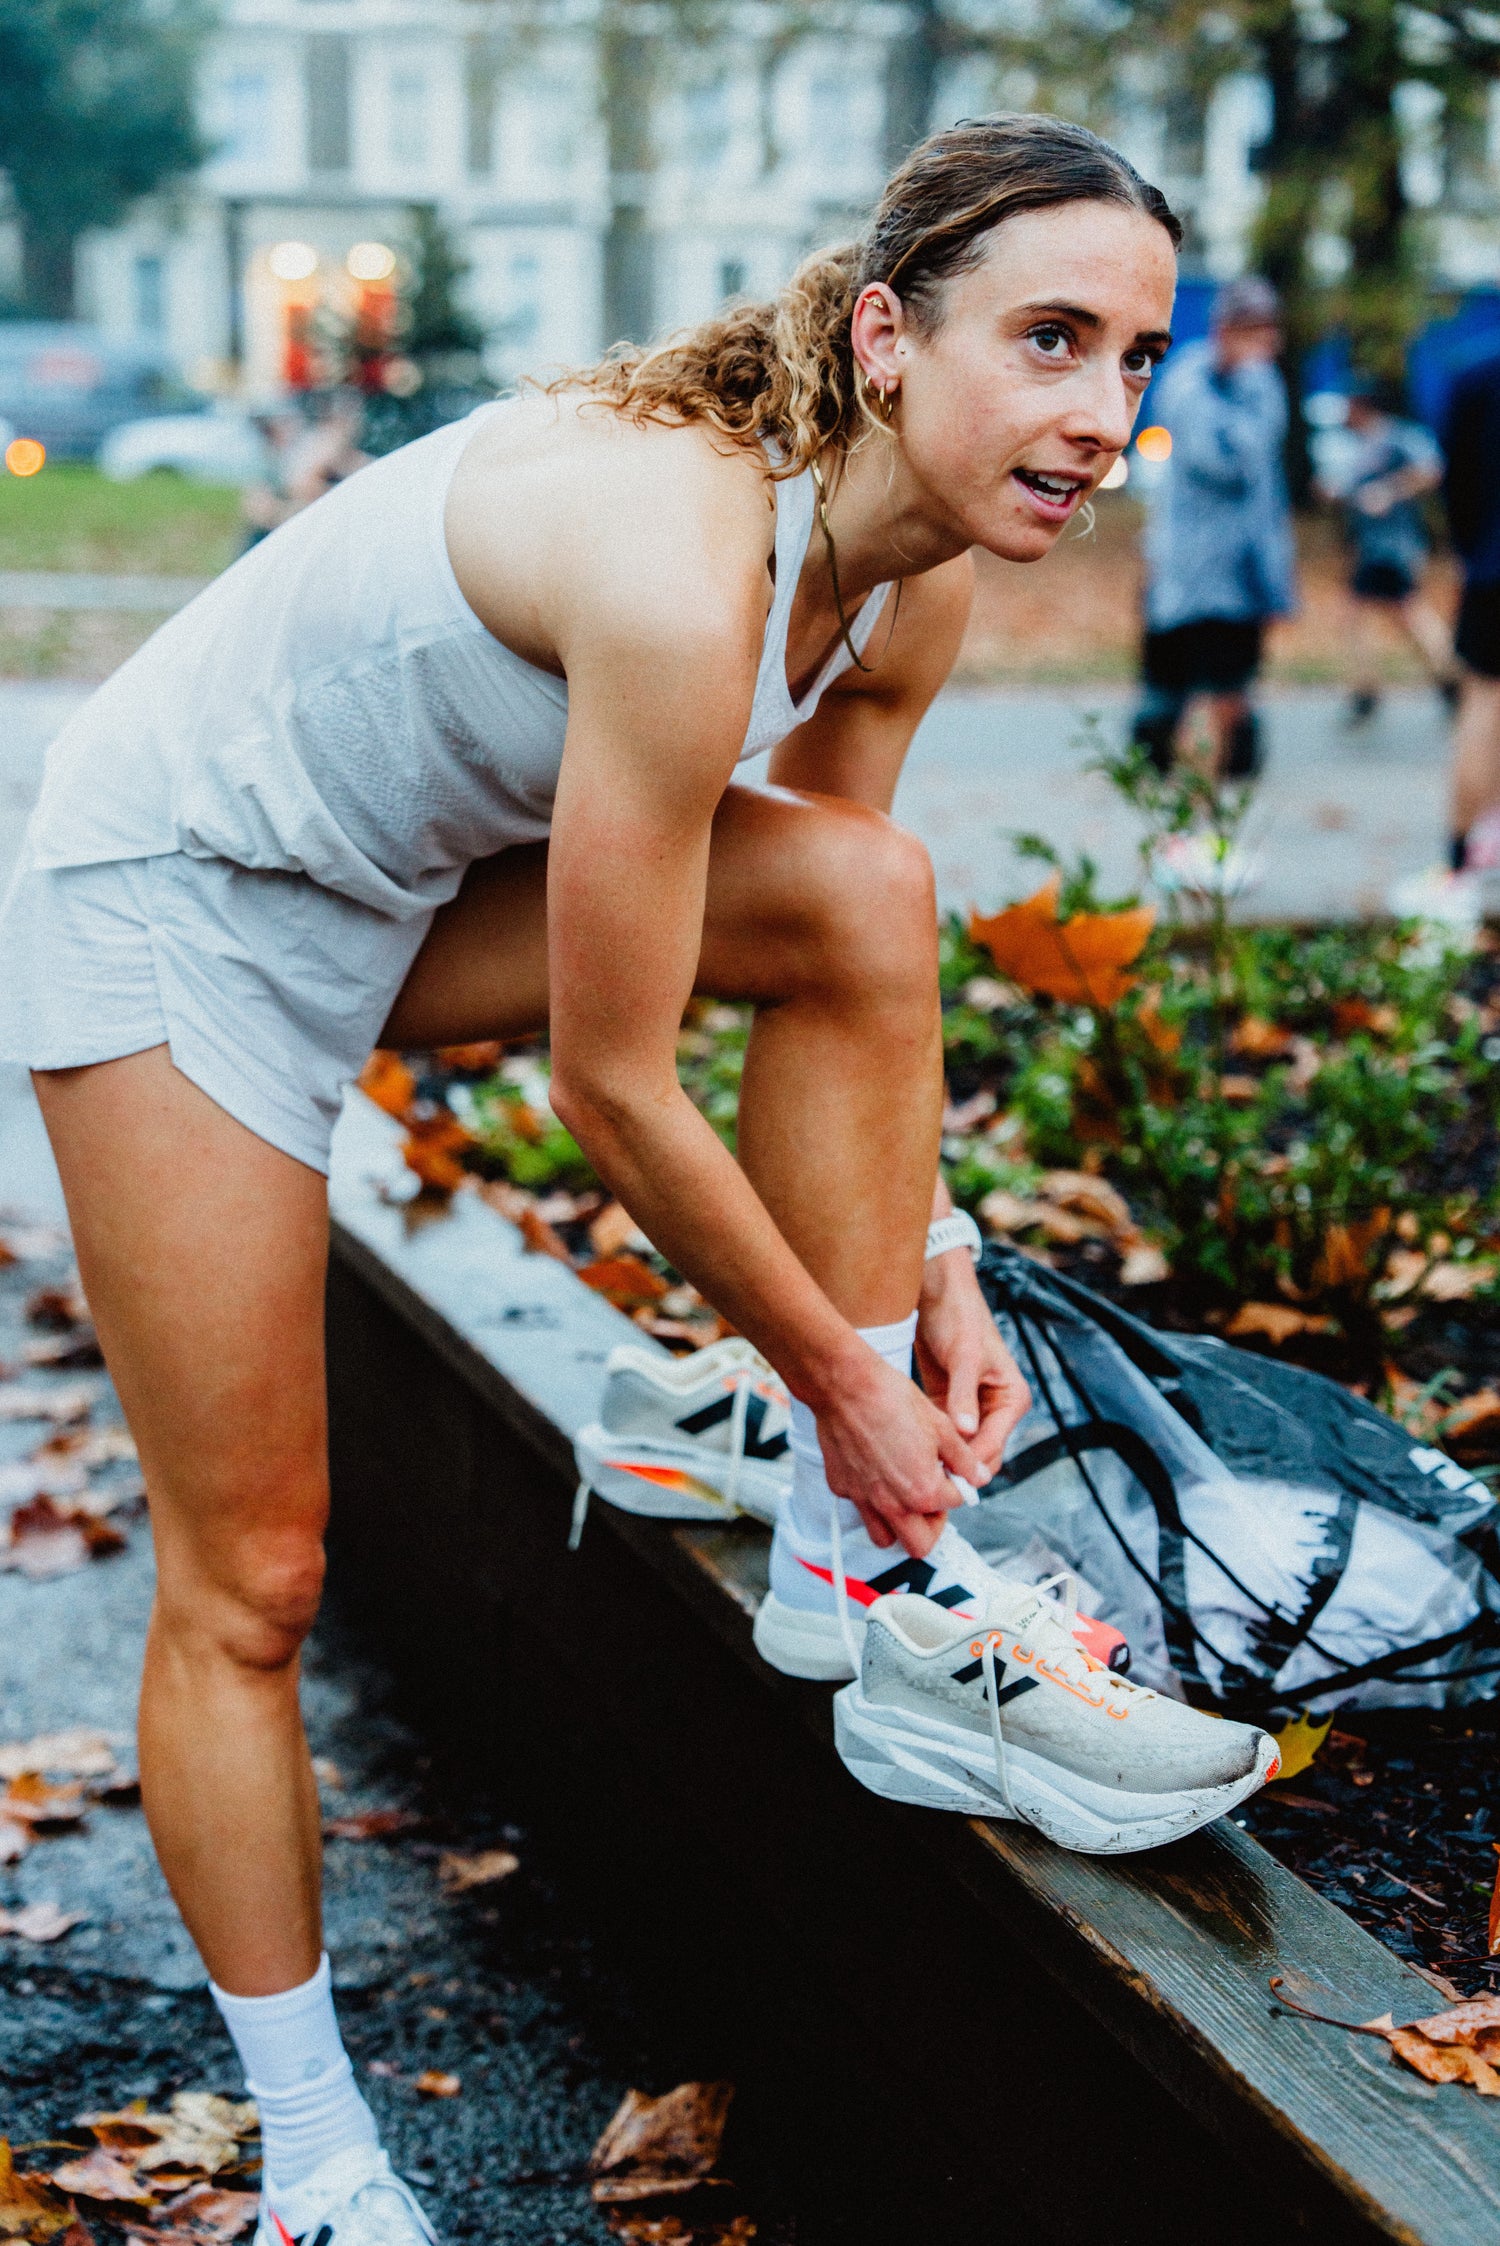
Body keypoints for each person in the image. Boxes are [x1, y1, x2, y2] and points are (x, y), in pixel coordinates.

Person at [0, 115, 1274, 2246]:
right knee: (259, 1575)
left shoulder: (915, 579)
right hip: (179, 897)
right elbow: (613, 1082)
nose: (1102, 411)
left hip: (396, 893)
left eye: (1136, 356)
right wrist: (851, 1390)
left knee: (868, 892)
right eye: (1050, 339)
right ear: (887, 337)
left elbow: (835, 928)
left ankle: (850, 1579)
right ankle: (317, 2170)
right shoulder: (690, 566)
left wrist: (932, 1260)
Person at [1132, 275, 1296, 781]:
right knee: (1209, 697)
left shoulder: (1259, 383)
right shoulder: (1192, 382)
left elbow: (1265, 490)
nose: (1269, 345)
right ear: (1226, 331)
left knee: (1227, 693)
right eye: (1258, 332)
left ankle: (1200, 802)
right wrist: (1248, 387)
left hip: (1243, 576)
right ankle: (1193, 813)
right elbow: (1227, 463)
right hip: (1199, 575)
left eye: (1271, 331)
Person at [1314, 377, 1454, 727]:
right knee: (1367, 613)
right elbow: (1346, 490)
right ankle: (1373, 687)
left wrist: (1390, 491)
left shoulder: (1399, 438)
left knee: (1404, 612)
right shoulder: (1351, 445)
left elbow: (1430, 471)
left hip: (1396, 544)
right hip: (1367, 546)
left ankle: (1447, 678)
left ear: (1363, 406)